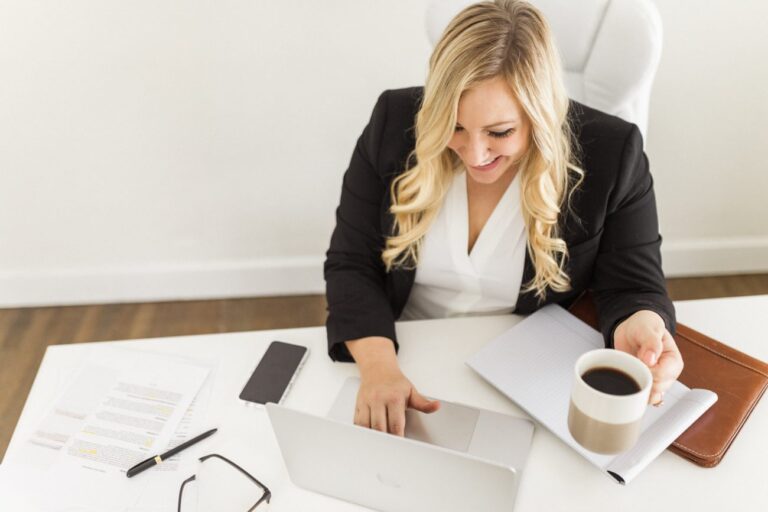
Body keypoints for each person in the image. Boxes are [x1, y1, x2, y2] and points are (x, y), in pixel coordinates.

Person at [324, 0, 683, 437]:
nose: (475, 154)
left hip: (525, 377)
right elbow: (351, 263)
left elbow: (633, 287)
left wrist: (643, 322)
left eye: (500, 132)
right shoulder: (392, 121)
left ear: (542, 114)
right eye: (454, 127)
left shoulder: (614, 153)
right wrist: (379, 370)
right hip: (398, 352)